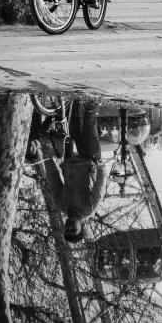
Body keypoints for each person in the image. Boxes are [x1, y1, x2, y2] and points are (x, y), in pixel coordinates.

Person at [43, 100, 106, 242]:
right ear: (81, 228)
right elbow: (99, 187)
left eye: (67, 229)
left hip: (70, 155)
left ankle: (78, 94)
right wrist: (100, 166)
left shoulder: (60, 204)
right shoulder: (89, 208)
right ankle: (93, 96)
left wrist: (47, 158)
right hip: (90, 158)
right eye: (73, 229)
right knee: (90, 120)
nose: (69, 226)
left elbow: (53, 179)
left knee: (74, 118)